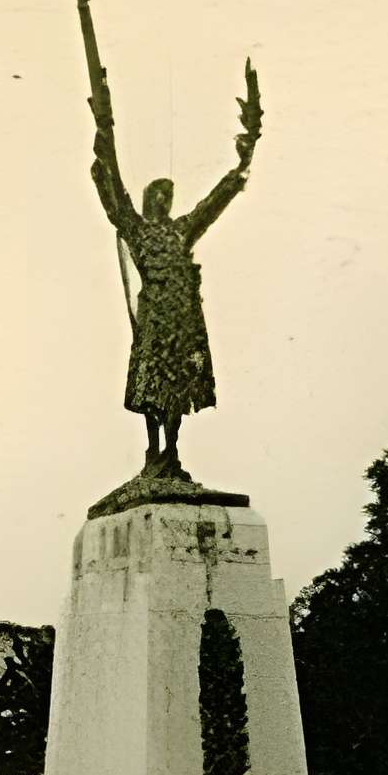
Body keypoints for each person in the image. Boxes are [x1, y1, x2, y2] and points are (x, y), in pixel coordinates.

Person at [92, 62, 260, 473]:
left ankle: (171, 451)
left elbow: (211, 205)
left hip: (180, 323)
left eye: (170, 197)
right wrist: (104, 137)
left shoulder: (180, 232)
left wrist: (240, 167)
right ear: (151, 201)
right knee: (151, 388)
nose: (166, 202)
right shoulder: (138, 230)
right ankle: (153, 452)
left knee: (177, 390)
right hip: (153, 322)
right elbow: (115, 197)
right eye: (160, 196)